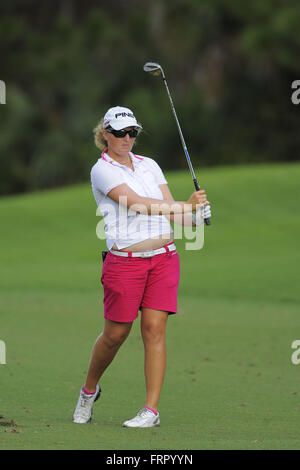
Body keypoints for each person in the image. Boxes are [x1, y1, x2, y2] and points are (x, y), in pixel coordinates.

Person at [73, 106, 211, 428]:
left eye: (132, 132)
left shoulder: (149, 165)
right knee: (115, 334)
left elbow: (170, 213)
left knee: (154, 330)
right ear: (105, 133)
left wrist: (195, 217)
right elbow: (138, 204)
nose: (126, 138)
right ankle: (88, 390)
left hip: (164, 258)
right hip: (125, 263)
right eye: (119, 133)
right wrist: (184, 205)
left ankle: (151, 411)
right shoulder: (102, 170)